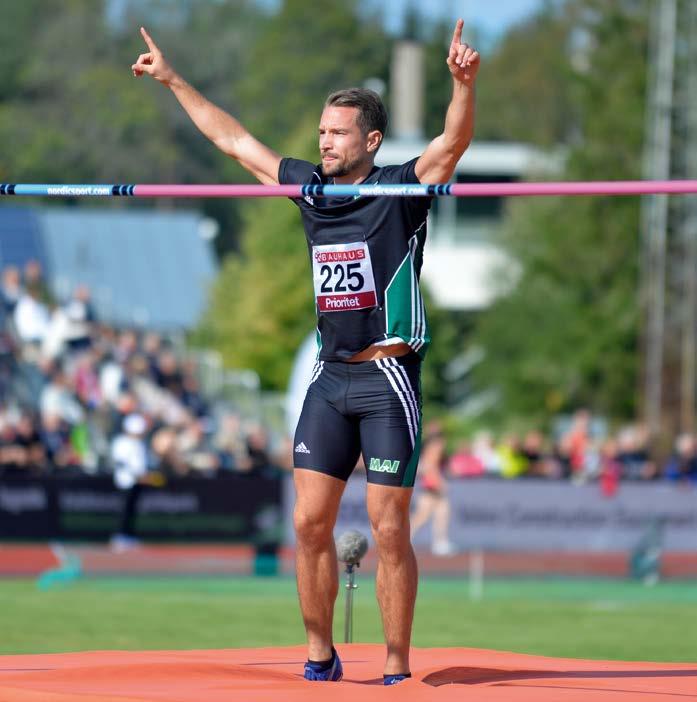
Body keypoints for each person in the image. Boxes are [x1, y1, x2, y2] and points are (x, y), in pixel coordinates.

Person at [132, 19, 479, 684]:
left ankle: (398, 665)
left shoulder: (401, 191)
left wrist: (462, 86)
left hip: (387, 378)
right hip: (329, 380)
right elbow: (234, 142)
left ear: (369, 141)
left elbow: (453, 141)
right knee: (308, 524)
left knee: (386, 529)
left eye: (337, 132)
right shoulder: (308, 190)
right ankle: (320, 653)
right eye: (321, 131)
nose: (323, 140)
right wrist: (173, 79)